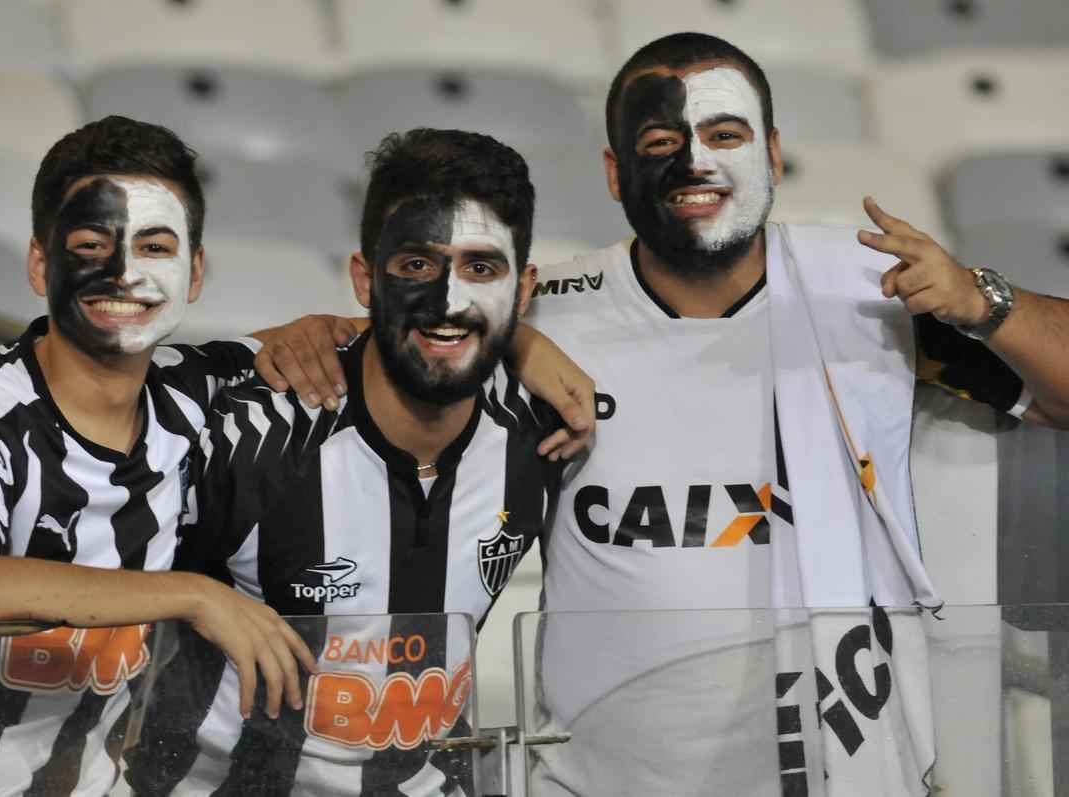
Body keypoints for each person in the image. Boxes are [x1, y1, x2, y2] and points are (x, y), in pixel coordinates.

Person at [254, 32, 1069, 795]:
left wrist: (984, 300)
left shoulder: (872, 292)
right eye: (659, 145)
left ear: (774, 152)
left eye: (725, 135)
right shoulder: (543, 313)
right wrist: (310, 333)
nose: (694, 163)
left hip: (848, 769)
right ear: (614, 175)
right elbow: (408, 337)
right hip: (598, 777)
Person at [0, 115, 317, 796]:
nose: (123, 272)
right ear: (40, 263)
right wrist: (197, 597)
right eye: (90, 245)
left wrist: (531, 349)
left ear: (194, 272)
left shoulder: (192, 388)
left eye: (155, 246)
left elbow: (389, 333)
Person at [123, 128, 563, 796]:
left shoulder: (542, 433)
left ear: (524, 287)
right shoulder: (247, 438)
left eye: (482, 268)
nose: (448, 298)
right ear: (364, 277)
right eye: (415, 265)